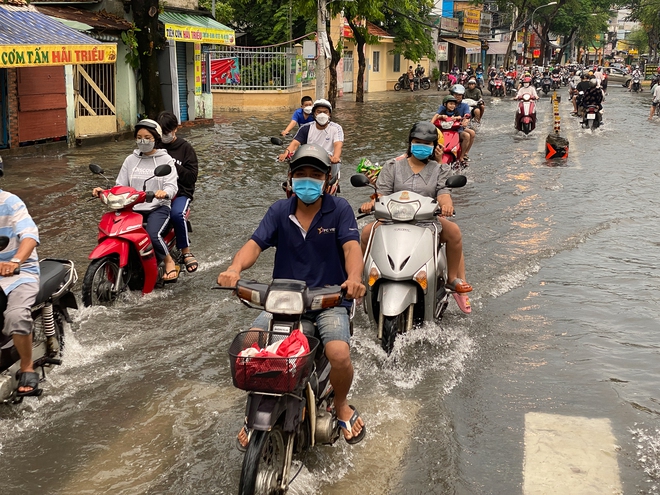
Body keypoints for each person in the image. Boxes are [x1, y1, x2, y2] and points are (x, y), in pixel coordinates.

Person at [218, 144, 367, 447]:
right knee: (253, 348)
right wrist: (234, 268)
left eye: (315, 174)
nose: (308, 180)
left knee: (339, 354)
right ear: (290, 178)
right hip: (283, 301)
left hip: (328, 300)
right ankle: (256, 408)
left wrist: (353, 279)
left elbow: (352, 247)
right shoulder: (279, 211)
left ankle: (340, 405)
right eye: (301, 174)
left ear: (327, 180)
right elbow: (254, 244)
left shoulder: (339, 209)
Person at [358, 122, 472, 314]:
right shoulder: (393, 166)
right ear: (410, 143)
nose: (421, 146)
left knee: (453, 231)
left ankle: (452, 279)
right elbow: (382, 193)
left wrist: (446, 204)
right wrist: (371, 203)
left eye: (427, 143)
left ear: (434, 146)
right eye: (417, 141)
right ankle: (360, 280)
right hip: (392, 219)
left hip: (426, 221)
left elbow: (443, 193)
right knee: (366, 232)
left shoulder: (440, 169)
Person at [92, 119, 179, 281]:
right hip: (131, 208)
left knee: (153, 235)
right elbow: (120, 186)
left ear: (156, 138)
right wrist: (104, 192)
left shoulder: (165, 160)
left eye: (147, 137)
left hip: (158, 207)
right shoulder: (130, 160)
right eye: (139, 137)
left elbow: (172, 186)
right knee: (113, 232)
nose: (142, 141)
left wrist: (164, 192)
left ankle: (169, 261)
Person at [0, 159, 41, 396]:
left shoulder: (11, 203)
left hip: (19, 272)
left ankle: (27, 366)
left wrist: (15, 261)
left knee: (15, 315)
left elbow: (29, 236)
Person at [157, 111, 200, 273]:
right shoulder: (154, 146)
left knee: (176, 214)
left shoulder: (185, 148)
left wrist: (171, 165)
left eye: (167, 131)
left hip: (181, 192)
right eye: (162, 133)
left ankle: (186, 252)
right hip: (158, 192)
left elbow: (191, 177)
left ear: (176, 128)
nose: (165, 136)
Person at [278, 99, 343, 165]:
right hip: (310, 160)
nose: (322, 115)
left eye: (325, 112)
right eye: (319, 112)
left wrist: (336, 157)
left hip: (329, 161)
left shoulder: (336, 128)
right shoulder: (306, 128)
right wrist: (286, 153)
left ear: (329, 114)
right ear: (314, 113)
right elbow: (295, 144)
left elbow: (338, 145)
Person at [431, 95, 467, 163]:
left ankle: (461, 157)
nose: (452, 106)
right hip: (443, 131)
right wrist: (441, 116)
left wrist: (456, 118)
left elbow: (459, 117)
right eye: (450, 104)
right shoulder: (443, 111)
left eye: (453, 104)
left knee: (466, 136)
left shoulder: (456, 111)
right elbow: (437, 116)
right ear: (445, 104)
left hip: (454, 130)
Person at [446, 84, 476, 163]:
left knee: (471, 133)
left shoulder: (464, 105)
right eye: (456, 94)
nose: (458, 96)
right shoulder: (445, 104)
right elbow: (438, 115)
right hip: (446, 127)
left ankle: (463, 155)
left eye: (460, 95)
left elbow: (467, 115)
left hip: (458, 128)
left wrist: (465, 121)